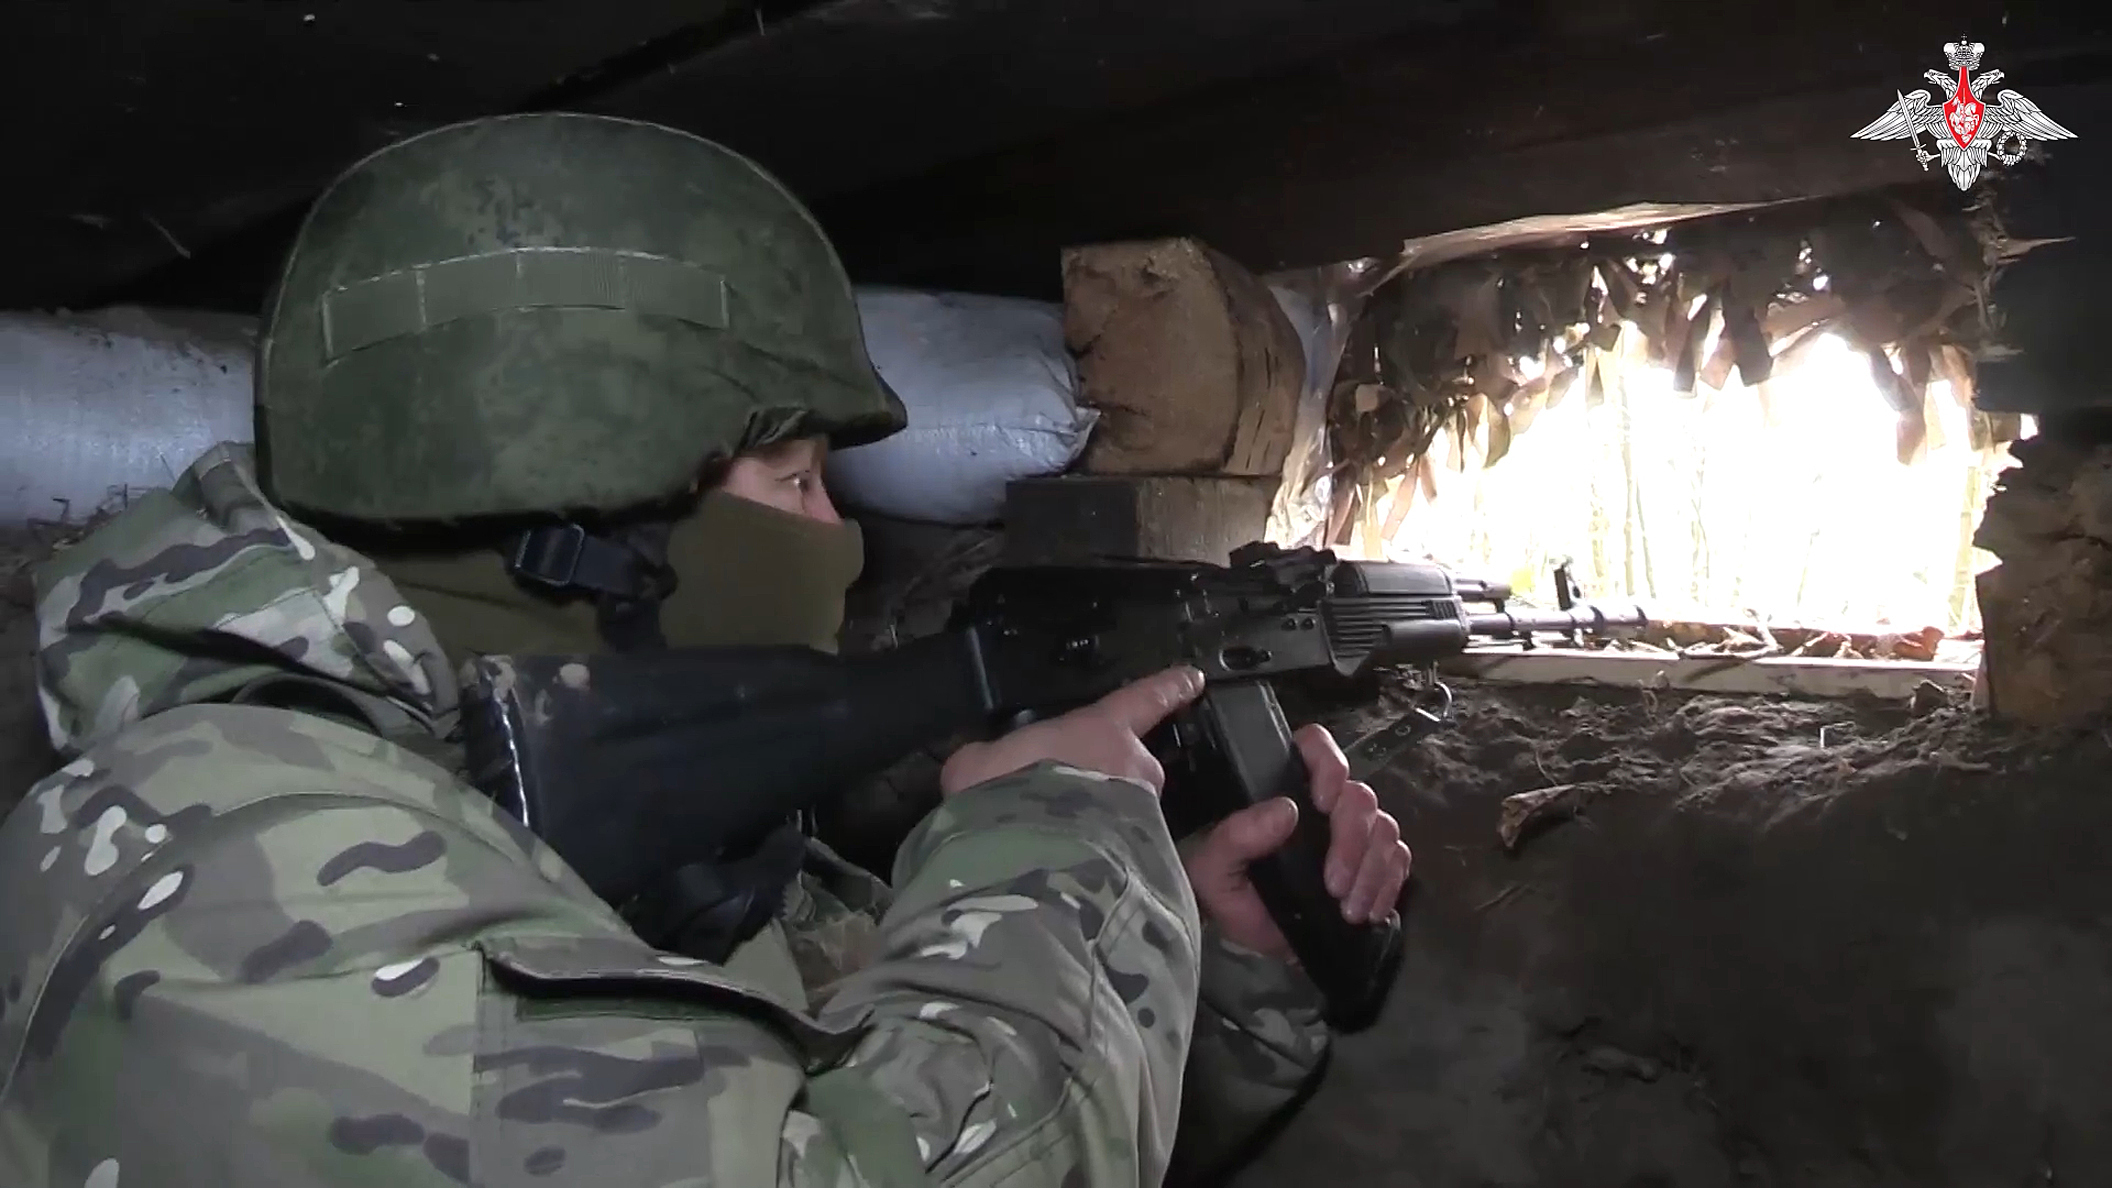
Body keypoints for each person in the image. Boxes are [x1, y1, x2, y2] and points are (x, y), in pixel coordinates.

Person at [0, 113, 1409, 1187]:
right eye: (796, 482)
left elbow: (926, 1092)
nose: (842, 542)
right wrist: (1066, 845)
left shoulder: (647, 847)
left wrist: (1216, 962)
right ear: (578, 528)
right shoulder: (227, 904)